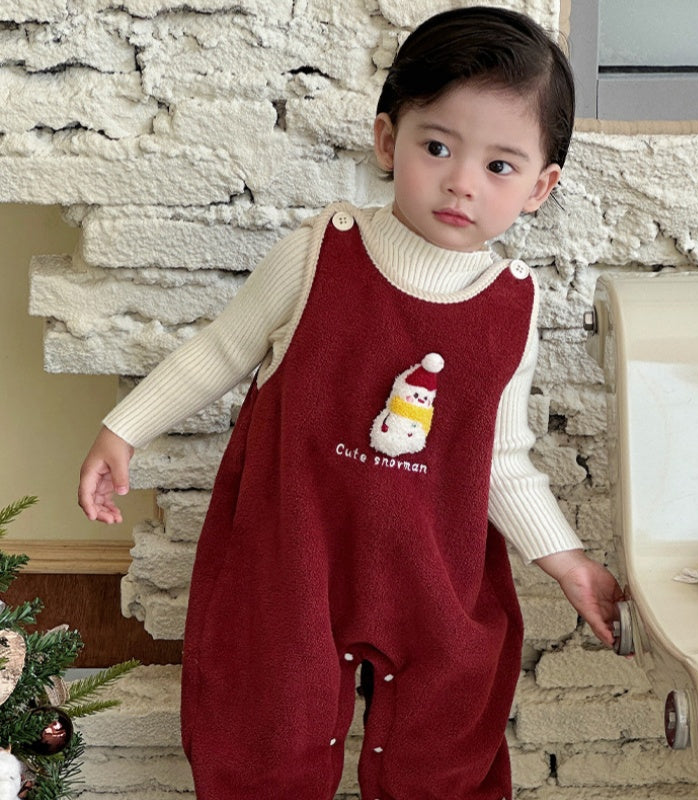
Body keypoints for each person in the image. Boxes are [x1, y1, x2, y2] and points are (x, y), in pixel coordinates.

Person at [78, 6, 623, 799]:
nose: (462, 182)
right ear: (387, 141)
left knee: (443, 743)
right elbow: (223, 350)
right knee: (265, 732)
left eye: (500, 165)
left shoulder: (512, 304)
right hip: (293, 554)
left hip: (432, 567)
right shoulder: (318, 253)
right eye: (437, 147)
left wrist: (566, 560)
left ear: (540, 187)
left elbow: (500, 458)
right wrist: (122, 431)